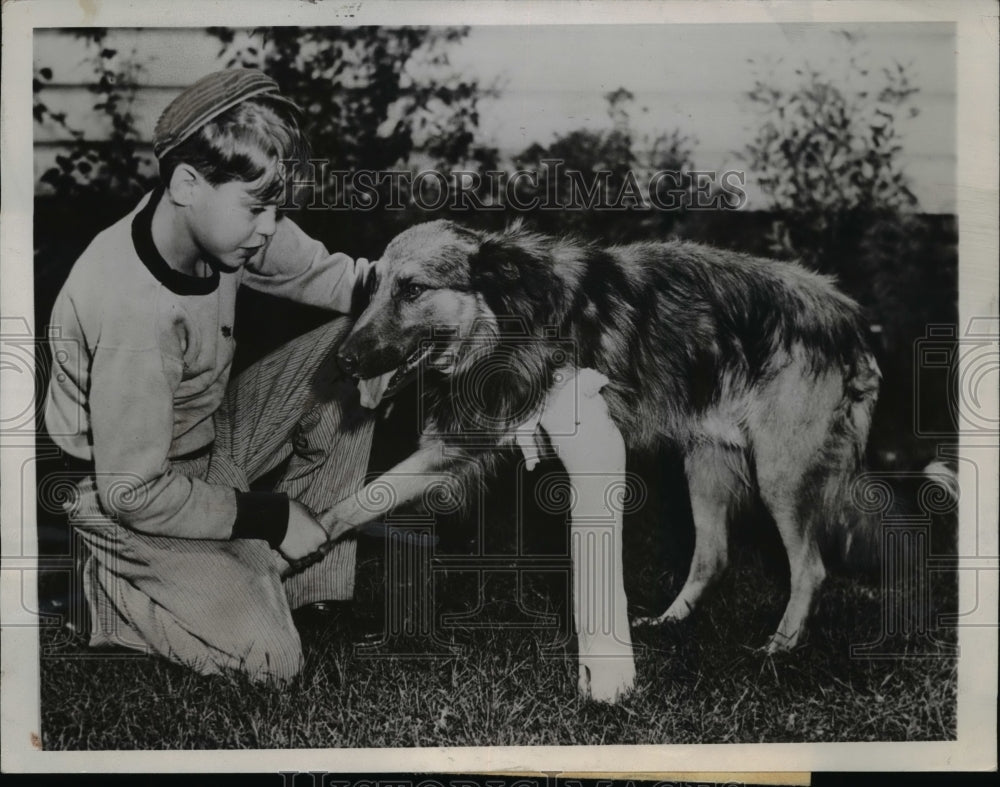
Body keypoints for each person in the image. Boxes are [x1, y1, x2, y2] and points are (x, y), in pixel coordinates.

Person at [44, 68, 376, 683]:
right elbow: (132, 490)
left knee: (368, 341)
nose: (271, 227)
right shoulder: (133, 308)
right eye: (258, 207)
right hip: (127, 490)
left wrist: (426, 292)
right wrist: (265, 515)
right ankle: (106, 593)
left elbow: (337, 278)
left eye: (276, 208)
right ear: (187, 183)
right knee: (271, 662)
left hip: (207, 437)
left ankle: (305, 584)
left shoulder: (221, 225)